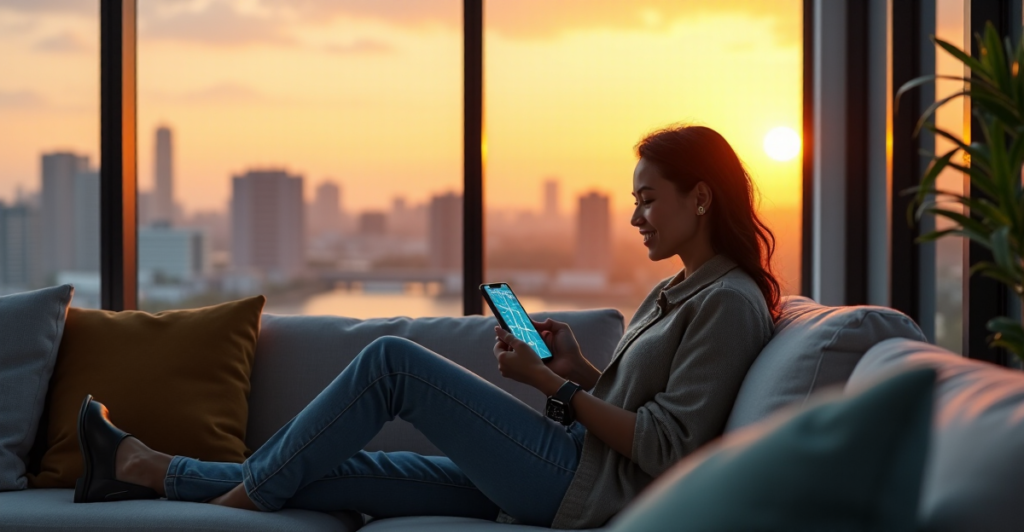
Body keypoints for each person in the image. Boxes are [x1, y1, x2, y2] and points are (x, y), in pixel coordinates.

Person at [74, 125, 780, 529]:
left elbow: (667, 447)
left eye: (648, 200)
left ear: (700, 195)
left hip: (580, 488)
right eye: (633, 202)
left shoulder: (729, 302)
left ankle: (235, 510)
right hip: (564, 467)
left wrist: (548, 388)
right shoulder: (679, 287)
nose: (635, 219)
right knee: (348, 469)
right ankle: (143, 467)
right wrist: (575, 371)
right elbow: (639, 406)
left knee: (392, 363)